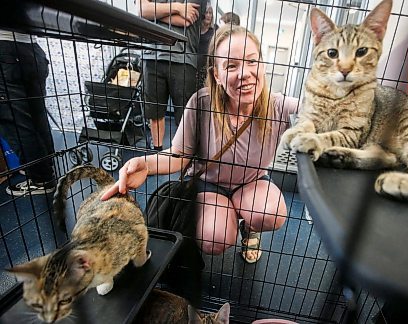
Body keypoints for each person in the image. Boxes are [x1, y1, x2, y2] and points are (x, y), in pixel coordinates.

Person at [102, 25, 299, 264]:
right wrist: (144, 163)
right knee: (214, 238)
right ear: (217, 74)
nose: (244, 73)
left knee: (270, 214)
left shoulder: (278, 106)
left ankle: (249, 225)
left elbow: (324, 111)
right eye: (231, 65)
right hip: (210, 184)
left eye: (251, 61)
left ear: (263, 65)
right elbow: (179, 155)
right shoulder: (202, 103)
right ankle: (225, 213)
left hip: (251, 182)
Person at [139, 0, 206, 151]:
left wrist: (153, 14)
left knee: (185, 116)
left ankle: (183, 155)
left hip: (183, 57)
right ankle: (157, 151)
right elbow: (142, 10)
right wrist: (177, 7)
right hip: (151, 55)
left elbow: (186, 20)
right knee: (154, 113)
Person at [0, 31, 56, 196]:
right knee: (37, 115)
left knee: (16, 121)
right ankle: (44, 165)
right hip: (32, 49)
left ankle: (40, 178)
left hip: (6, 50)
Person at [197, 3, 216, 89]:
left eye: (210, 13)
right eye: (206, 12)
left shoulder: (214, 31)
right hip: (194, 65)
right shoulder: (195, 30)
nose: (208, 15)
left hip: (207, 67)